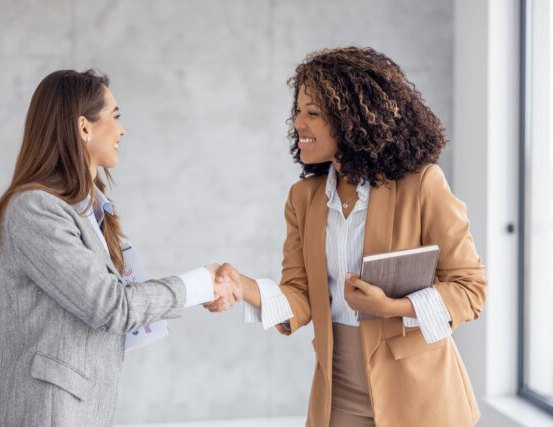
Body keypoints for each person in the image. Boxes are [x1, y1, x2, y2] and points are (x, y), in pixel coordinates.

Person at [207, 47, 487, 427]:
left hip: (420, 396)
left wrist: (393, 308)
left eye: (313, 113)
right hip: (336, 394)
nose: (298, 123)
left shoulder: (421, 185)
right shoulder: (303, 199)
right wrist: (244, 287)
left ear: (352, 120)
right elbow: (301, 297)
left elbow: (470, 289)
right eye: (298, 110)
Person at [0, 69, 240, 427]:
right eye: (115, 116)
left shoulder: (91, 211)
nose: (122, 130)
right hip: (44, 413)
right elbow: (110, 306)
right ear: (83, 127)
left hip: (81, 409)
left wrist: (203, 289)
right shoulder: (35, 210)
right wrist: (200, 284)